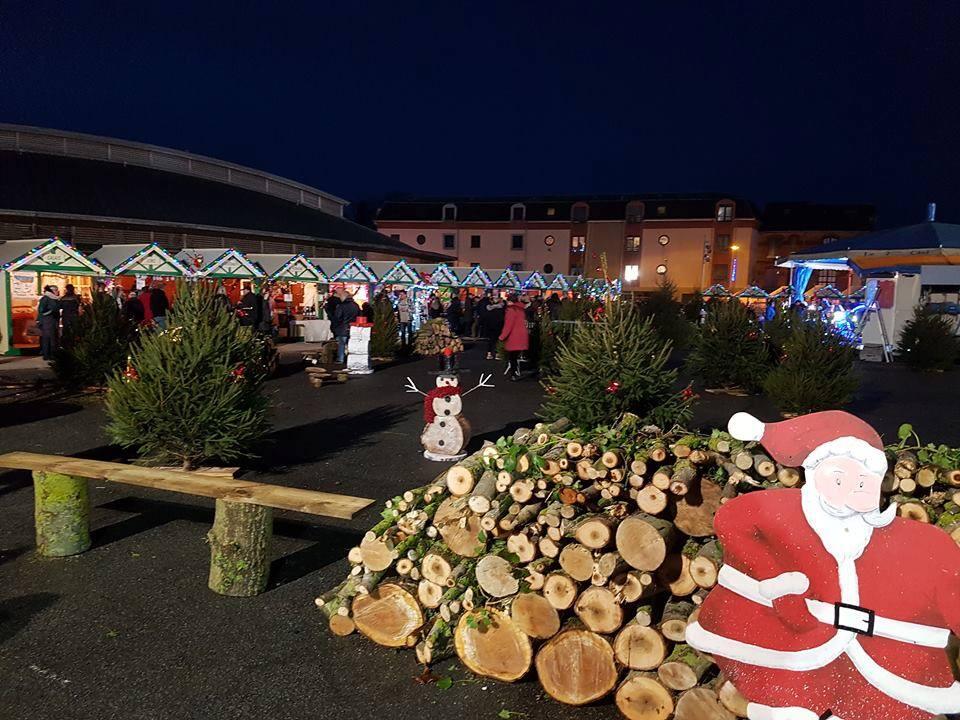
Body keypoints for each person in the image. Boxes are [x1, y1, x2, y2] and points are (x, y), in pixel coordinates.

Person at [686, 411, 960, 720]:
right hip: (794, 652)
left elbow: (952, 588)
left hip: (890, 667)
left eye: (864, 482)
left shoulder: (918, 542)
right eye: (839, 478)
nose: (852, 491)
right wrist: (777, 583)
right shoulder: (782, 512)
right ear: (814, 473)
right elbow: (730, 519)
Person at [499, 293, 530, 380]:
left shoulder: (511, 310)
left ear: (509, 301)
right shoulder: (521, 309)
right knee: (515, 356)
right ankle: (515, 372)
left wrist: (502, 336)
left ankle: (513, 374)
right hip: (522, 335)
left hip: (513, 336)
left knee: (512, 357)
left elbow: (508, 325)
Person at [332, 290, 360, 364]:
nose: (340, 298)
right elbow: (359, 315)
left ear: (344, 297)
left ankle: (340, 359)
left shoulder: (341, 306)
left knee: (342, 344)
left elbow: (337, 317)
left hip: (342, 327)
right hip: (353, 327)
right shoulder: (355, 305)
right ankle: (353, 358)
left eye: (341, 296)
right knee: (352, 344)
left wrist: (335, 326)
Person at [37, 285, 60, 361]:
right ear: (52, 291)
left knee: (51, 338)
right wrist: (50, 311)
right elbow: (41, 309)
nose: (57, 291)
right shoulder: (46, 298)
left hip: (52, 320)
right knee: (48, 338)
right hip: (48, 321)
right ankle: (48, 355)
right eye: (56, 290)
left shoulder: (53, 298)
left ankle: (49, 354)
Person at [480, 293, 505, 360]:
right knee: (497, 340)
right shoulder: (501, 308)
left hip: (490, 326)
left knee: (490, 340)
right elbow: (502, 318)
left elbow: (485, 316)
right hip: (498, 326)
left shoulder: (488, 307)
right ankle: (497, 354)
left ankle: (489, 353)